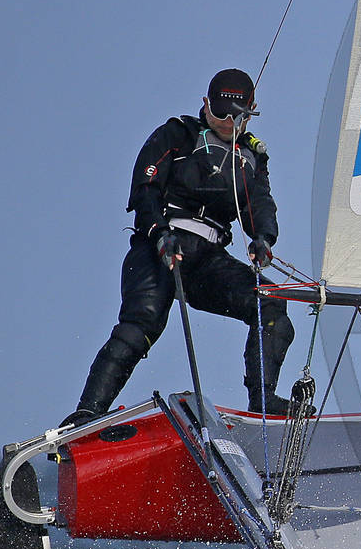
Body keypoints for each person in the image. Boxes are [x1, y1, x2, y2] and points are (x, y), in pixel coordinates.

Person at [63, 68, 295, 427]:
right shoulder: (177, 134)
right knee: (143, 322)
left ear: (250, 114)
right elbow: (145, 188)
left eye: (237, 117)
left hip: (208, 259)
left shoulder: (251, 156)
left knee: (271, 304)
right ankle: (87, 413)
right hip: (160, 245)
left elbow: (259, 203)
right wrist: (158, 232)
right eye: (220, 114)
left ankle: (262, 401)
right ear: (205, 105)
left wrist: (264, 238)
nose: (227, 123)